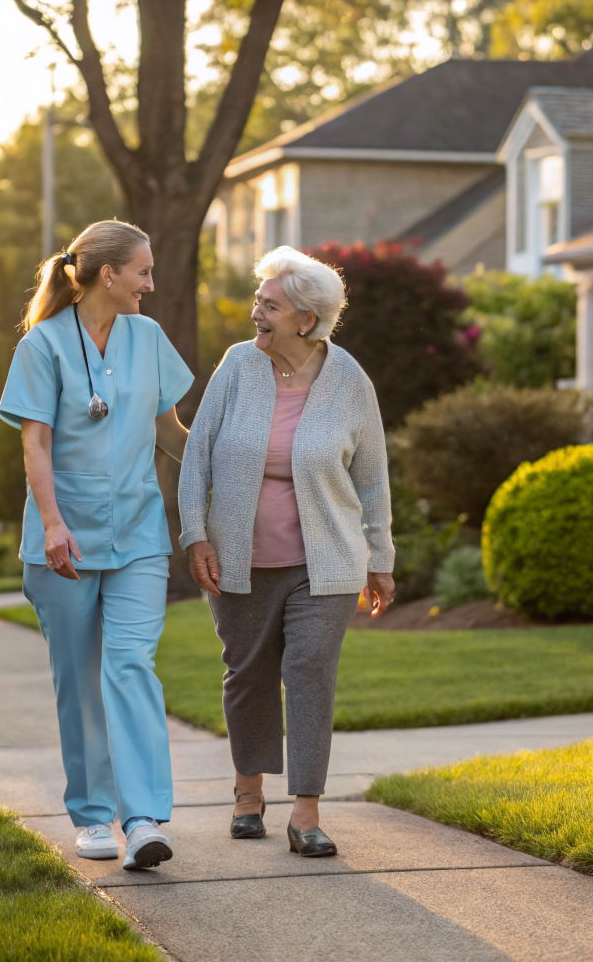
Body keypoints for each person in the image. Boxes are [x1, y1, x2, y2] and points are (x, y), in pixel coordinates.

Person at [179, 245, 396, 858]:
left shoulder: (349, 380)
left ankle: (307, 810)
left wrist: (380, 560)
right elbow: (198, 456)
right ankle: (249, 794)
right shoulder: (237, 367)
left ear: (307, 318)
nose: (256, 313)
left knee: (308, 672)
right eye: (258, 300)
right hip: (239, 557)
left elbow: (373, 478)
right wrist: (195, 533)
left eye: (269, 305)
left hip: (326, 563)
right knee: (247, 674)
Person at [0, 220, 194, 870]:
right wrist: (53, 523)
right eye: (142, 271)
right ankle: (91, 816)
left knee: (130, 664)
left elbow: (168, 429)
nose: (151, 283)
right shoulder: (43, 345)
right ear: (108, 275)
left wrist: (228, 470)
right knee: (79, 680)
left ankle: (141, 820)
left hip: (138, 534)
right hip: (65, 543)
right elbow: (35, 442)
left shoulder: (148, 337)